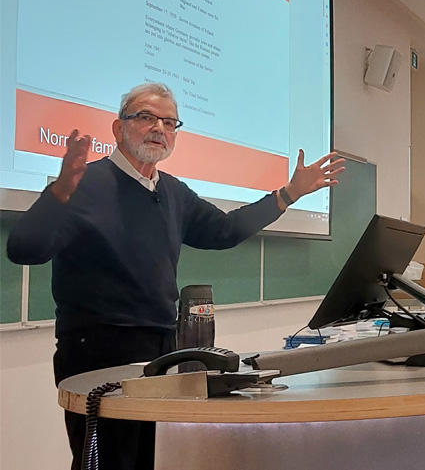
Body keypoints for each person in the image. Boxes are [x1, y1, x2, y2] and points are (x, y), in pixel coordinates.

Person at [6, 83, 346, 470]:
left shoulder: (173, 192)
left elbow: (225, 231)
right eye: (146, 117)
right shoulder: (82, 184)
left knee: (151, 459)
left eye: (169, 122)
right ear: (118, 129)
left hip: (160, 352)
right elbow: (24, 249)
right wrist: (59, 193)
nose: (159, 129)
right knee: (107, 462)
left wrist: (287, 195)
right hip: (96, 353)